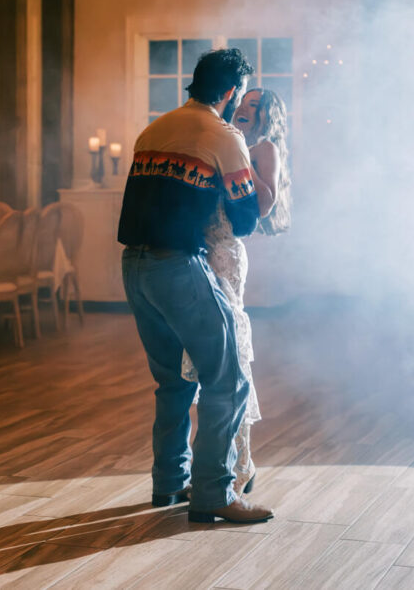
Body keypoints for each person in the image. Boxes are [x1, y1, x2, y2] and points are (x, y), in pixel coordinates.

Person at [118, 48, 275, 524]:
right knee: (227, 379)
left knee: (171, 382)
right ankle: (213, 492)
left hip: (133, 266)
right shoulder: (223, 135)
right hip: (177, 265)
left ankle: (169, 484)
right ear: (229, 93)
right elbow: (246, 217)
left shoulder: (155, 128)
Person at [180, 87, 290, 495]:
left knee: (230, 359)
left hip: (226, 253)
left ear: (267, 115)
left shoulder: (264, 149)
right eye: (244, 101)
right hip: (198, 249)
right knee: (202, 357)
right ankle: (215, 464)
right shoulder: (224, 139)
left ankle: (240, 464)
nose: (246, 108)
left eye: (256, 105)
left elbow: (263, 204)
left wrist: (241, 157)